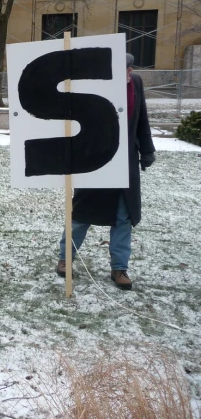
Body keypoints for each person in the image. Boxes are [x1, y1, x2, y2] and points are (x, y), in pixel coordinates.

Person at [56, 53, 156, 290]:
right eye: (124, 70)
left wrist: (148, 149)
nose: (129, 74)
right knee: (81, 213)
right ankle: (65, 259)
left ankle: (119, 268)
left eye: (130, 69)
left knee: (124, 216)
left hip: (126, 159)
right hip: (96, 159)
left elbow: (142, 118)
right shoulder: (94, 87)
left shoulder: (137, 83)